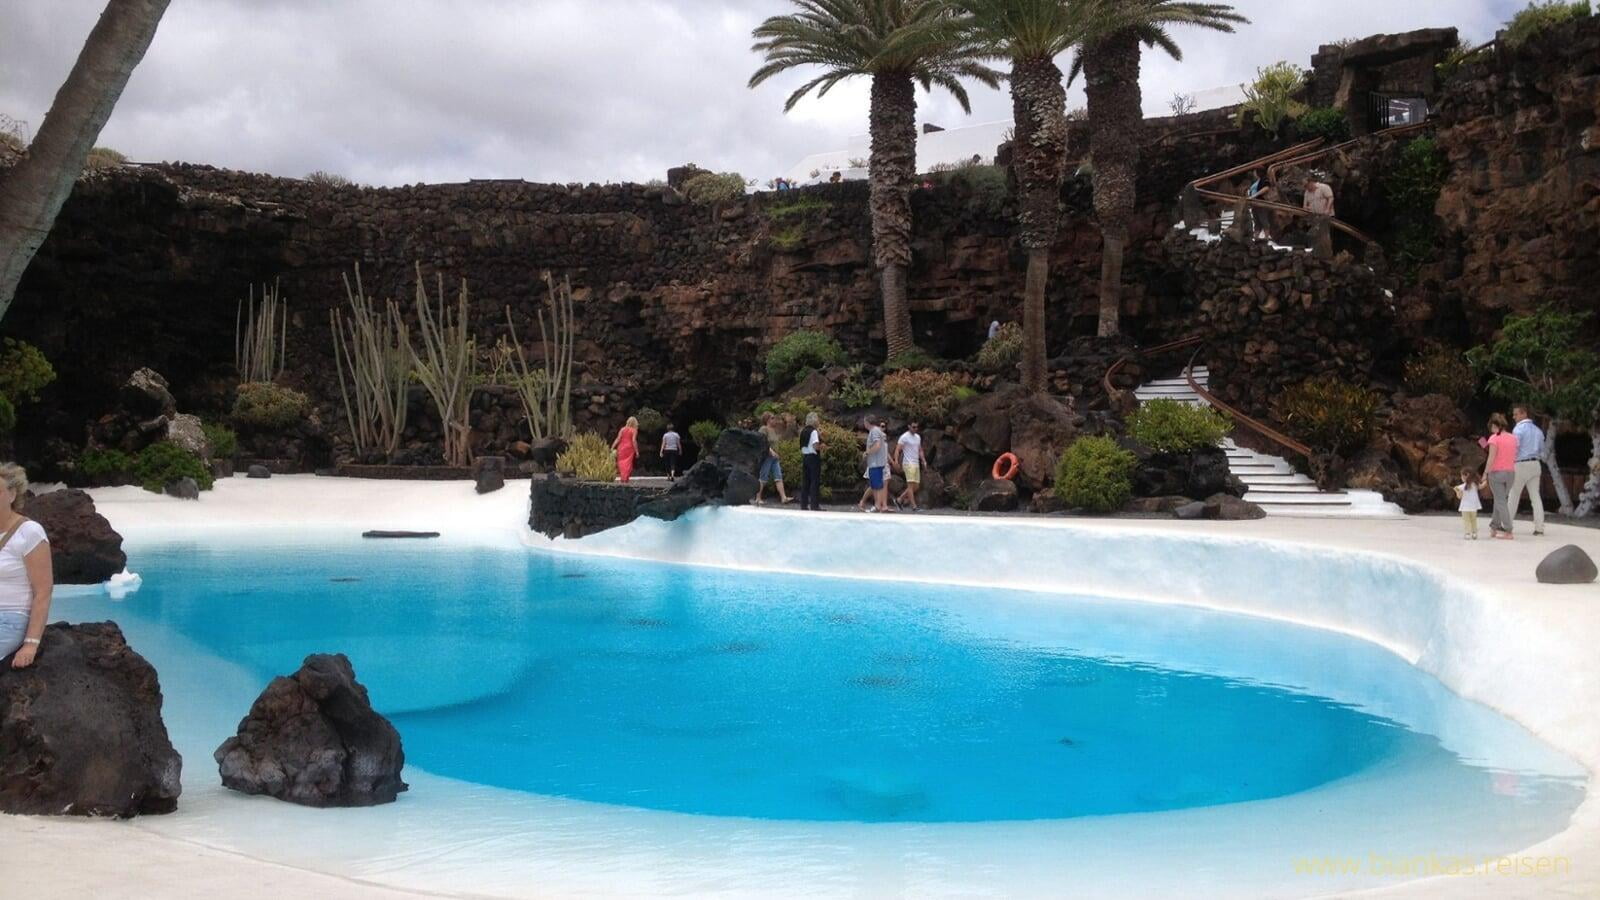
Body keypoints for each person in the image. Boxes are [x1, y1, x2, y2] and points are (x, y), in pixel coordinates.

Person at [0, 464, 53, 669]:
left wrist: (31, 644)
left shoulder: (29, 532)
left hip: (9, 619)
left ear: (12, 494)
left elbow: (43, 591)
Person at [1509, 405, 1547, 536]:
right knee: (1535, 496)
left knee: (1514, 494)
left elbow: (1515, 448)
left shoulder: (1518, 429)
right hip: (1536, 464)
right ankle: (1539, 527)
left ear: (1524, 414)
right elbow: (1543, 452)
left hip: (1520, 464)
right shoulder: (1538, 431)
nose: (1514, 417)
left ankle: (1507, 525)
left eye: (1516, 414)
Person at [1482, 413, 1519, 539]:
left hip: (1497, 473)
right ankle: (1494, 527)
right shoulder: (1513, 438)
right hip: (1511, 473)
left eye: (1491, 427)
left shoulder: (1494, 438)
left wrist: (1485, 473)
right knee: (1500, 500)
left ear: (1494, 425)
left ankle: (1508, 530)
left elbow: (1491, 458)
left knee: (1500, 501)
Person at [755, 413, 791, 505]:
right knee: (763, 477)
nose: (774, 420)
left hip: (775, 458)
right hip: (767, 457)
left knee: (778, 476)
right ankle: (758, 498)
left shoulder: (773, 430)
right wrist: (771, 451)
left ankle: (783, 497)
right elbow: (762, 441)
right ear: (767, 420)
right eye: (772, 418)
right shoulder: (764, 429)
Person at [857, 416, 891, 513]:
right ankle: (877, 505)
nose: (864, 424)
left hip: (876, 462)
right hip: (874, 463)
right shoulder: (874, 431)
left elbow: (877, 445)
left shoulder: (875, 431)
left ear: (867, 422)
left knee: (877, 485)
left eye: (864, 422)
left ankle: (877, 506)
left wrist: (867, 452)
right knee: (875, 485)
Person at [895, 422, 928, 512]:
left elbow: (920, 450)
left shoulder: (918, 437)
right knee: (910, 486)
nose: (915, 429)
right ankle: (914, 506)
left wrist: (923, 460)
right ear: (909, 426)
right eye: (913, 427)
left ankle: (899, 499)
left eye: (917, 427)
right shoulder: (904, 437)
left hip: (916, 463)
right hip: (908, 463)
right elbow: (898, 450)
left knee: (916, 486)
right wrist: (896, 461)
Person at [798, 412, 825, 511]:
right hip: (813, 457)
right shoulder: (813, 431)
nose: (818, 421)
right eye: (817, 419)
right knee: (814, 481)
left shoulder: (803, 431)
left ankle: (804, 504)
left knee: (805, 481)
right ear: (814, 420)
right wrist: (822, 447)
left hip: (805, 456)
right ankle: (814, 505)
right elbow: (815, 445)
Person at [1455, 468, 1483, 540]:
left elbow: (1459, 495)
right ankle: (1474, 533)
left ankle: (1468, 533)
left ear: (1466, 476)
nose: (1461, 478)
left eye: (1462, 476)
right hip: (1474, 507)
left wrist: (1457, 491)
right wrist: (1486, 480)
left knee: (1466, 521)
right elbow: (1481, 486)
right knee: (1473, 520)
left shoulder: (1462, 486)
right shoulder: (1475, 485)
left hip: (1465, 508)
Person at [610, 416, 639, 483]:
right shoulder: (634, 430)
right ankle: (625, 478)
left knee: (621, 462)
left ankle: (622, 477)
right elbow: (634, 441)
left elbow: (618, 439)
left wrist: (612, 447)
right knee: (628, 463)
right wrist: (637, 451)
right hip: (629, 448)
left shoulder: (622, 429)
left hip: (621, 447)